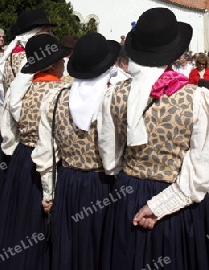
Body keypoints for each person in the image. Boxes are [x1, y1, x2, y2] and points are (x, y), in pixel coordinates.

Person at [99, 7, 209, 270]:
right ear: (174, 53)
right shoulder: (197, 98)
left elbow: (110, 161)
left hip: (127, 196)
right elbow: (200, 174)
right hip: (177, 203)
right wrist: (159, 206)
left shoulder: (113, 95)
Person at [32, 32, 120, 270]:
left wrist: (49, 193)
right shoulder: (113, 99)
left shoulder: (56, 98)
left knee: (69, 251)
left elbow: (45, 153)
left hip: (68, 183)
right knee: (100, 250)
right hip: (105, 185)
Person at [0, 34, 69, 270]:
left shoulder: (19, 89)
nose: (64, 63)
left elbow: (8, 132)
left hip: (21, 158)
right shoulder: (62, 92)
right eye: (61, 59)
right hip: (48, 163)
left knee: (19, 223)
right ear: (51, 64)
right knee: (40, 229)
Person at [0, 9, 55, 96]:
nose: (52, 35)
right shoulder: (33, 58)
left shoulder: (9, 55)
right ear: (32, 34)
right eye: (48, 31)